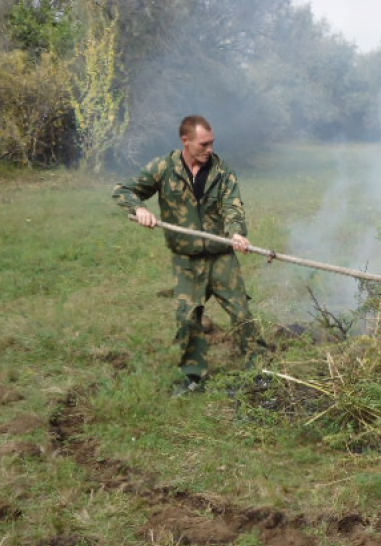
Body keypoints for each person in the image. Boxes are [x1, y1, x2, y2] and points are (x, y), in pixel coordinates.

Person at [112, 115, 267, 395]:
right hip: (187, 259)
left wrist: (235, 233)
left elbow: (233, 206)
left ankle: (261, 372)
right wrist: (139, 209)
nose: (209, 149)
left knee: (242, 313)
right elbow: (124, 190)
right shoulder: (164, 168)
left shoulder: (221, 170)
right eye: (203, 144)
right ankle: (194, 378)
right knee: (188, 318)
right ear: (186, 141)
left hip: (221, 256)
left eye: (212, 143)